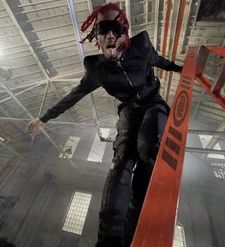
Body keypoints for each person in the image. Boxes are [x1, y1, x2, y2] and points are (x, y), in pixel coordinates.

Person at [27, 3, 183, 247]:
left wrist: (181, 69)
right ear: (96, 37)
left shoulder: (141, 47)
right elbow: (72, 97)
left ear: (125, 32)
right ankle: (109, 239)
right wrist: (43, 119)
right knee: (121, 158)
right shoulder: (97, 70)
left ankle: (138, 223)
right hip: (129, 110)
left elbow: (159, 60)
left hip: (153, 104)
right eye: (103, 29)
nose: (110, 34)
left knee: (147, 146)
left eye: (116, 27)